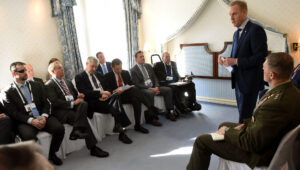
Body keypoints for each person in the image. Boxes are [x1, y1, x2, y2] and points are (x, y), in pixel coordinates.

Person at [187, 52, 300, 170]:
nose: (261, 68)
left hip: (260, 154)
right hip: (268, 140)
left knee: (201, 141)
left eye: (264, 67)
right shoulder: (292, 91)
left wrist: (227, 131)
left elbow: (252, 143)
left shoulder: (276, 103)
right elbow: (262, 122)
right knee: (223, 124)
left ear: (272, 75)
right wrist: (243, 125)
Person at [2, 62, 65, 165]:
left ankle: (52, 154)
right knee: (28, 136)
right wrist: (31, 121)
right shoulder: (7, 92)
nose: (25, 72)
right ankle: (38, 162)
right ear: (14, 74)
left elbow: (46, 103)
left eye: (25, 70)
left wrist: (44, 116)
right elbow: (13, 113)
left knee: (59, 128)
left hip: (41, 116)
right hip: (25, 121)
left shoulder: (37, 85)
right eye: (22, 71)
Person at [45, 61, 109, 158]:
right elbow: (55, 102)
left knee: (83, 103)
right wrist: (72, 103)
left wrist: (79, 96)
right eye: (59, 68)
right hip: (62, 111)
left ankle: (76, 131)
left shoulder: (67, 81)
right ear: (53, 71)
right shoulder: (49, 85)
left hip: (73, 107)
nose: (62, 69)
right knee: (83, 120)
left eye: (62, 67)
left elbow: (75, 95)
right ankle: (93, 148)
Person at [218, 1, 268, 123]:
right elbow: (235, 58)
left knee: (245, 117)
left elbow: (260, 57)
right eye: (230, 15)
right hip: (238, 81)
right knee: (242, 113)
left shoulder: (256, 30)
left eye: (234, 14)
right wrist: (225, 61)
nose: (231, 18)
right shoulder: (236, 34)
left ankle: (244, 140)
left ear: (244, 12)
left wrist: (235, 61)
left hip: (250, 82)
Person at [75, 56, 132, 144]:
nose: (94, 69)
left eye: (95, 67)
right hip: (94, 101)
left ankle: (119, 128)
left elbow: (108, 87)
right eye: (92, 66)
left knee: (116, 97)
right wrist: (100, 93)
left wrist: (108, 93)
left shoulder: (99, 75)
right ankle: (121, 130)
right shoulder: (79, 77)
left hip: (106, 98)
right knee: (115, 106)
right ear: (86, 64)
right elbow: (84, 92)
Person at [105, 58, 162, 130]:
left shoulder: (125, 73)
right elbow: (107, 89)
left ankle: (137, 125)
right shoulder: (107, 76)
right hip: (118, 97)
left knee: (136, 99)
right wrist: (115, 90)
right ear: (112, 67)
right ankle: (151, 108)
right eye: (117, 69)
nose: (119, 71)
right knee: (135, 91)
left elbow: (131, 84)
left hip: (127, 94)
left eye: (120, 68)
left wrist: (127, 87)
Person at [130, 51, 176, 121]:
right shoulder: (133, 70)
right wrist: (150, 88)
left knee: (168, 90)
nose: (143, 58)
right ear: (136, 59)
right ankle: (152, 117)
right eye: (141, 57)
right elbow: (137, 84)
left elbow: (155, 77)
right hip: (144, 89)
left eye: (143, 56)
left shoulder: (148, 66)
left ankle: (169, 112)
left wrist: (156, 87)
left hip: (154, 86)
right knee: (150, 93)